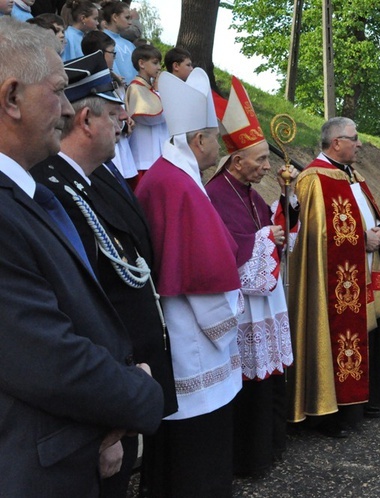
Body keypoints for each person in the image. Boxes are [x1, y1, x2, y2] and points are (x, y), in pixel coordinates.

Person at [0, 18, 163, 496]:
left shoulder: (22, 196)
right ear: (12, 98)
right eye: (59, 91)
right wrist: (139, 393)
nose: (70, 109)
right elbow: (47, 359)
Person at [30, 51, 178, 498]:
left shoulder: (96, 179)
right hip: (103, 398)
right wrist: (107, 422)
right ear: (87, 120)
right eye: (115, 115)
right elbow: (79, 311)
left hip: (128, 381)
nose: (123, 125)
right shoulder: (53, 191)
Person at [134, 67, 242, 498]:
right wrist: (227, 321)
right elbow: (200, 271)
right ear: (198, 141)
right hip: (187, 328)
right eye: (215, 138)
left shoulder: (172, 174)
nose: (219, 146)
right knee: (195, 437)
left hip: (180, 320)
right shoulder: (176, 184)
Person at [205, 76, 297, 478]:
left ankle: (272, 447)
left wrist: (287, 201)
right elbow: (233, 244)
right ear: (236, 160)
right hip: (245, 306)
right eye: (260, 161)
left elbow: (269, 222)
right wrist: (265, 237)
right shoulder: (217, 192)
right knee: (251, 384)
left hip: (267, 301)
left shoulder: (247, 189)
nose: (265, 167)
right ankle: (251, 456)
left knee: (270, 379)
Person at [287, 117, 380, 437]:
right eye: (355, 137)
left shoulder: (354, 177)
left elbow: (374, 217)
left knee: (371, 333)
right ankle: (333, 413)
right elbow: (315, 238)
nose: (359, 143)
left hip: (366, 271)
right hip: (333, 283)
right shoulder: (313, 179)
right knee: (339, 338)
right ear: (336, 142)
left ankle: (365, 398)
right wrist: (362, 240)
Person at [81, 29, 139, 184]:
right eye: (112, 53)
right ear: (99, 54)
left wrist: (127, 119)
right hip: (106, 151)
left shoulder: (114, 79)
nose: (114, 58)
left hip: (121, 149)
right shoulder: (91, 83)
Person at [125, 43, 168, 176]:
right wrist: (159, 92)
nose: (159, 67)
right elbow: (152, 117)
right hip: (144, 158)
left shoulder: (151, 88)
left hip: (156, 156)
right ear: (142, 63)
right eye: (155, 63)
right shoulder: (135, 88)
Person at [100, 1, 137, 85]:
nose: (130, 22)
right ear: (115, 17)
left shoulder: (130, 45)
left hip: (133, 92)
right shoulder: (100, 40)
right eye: (127, 18)